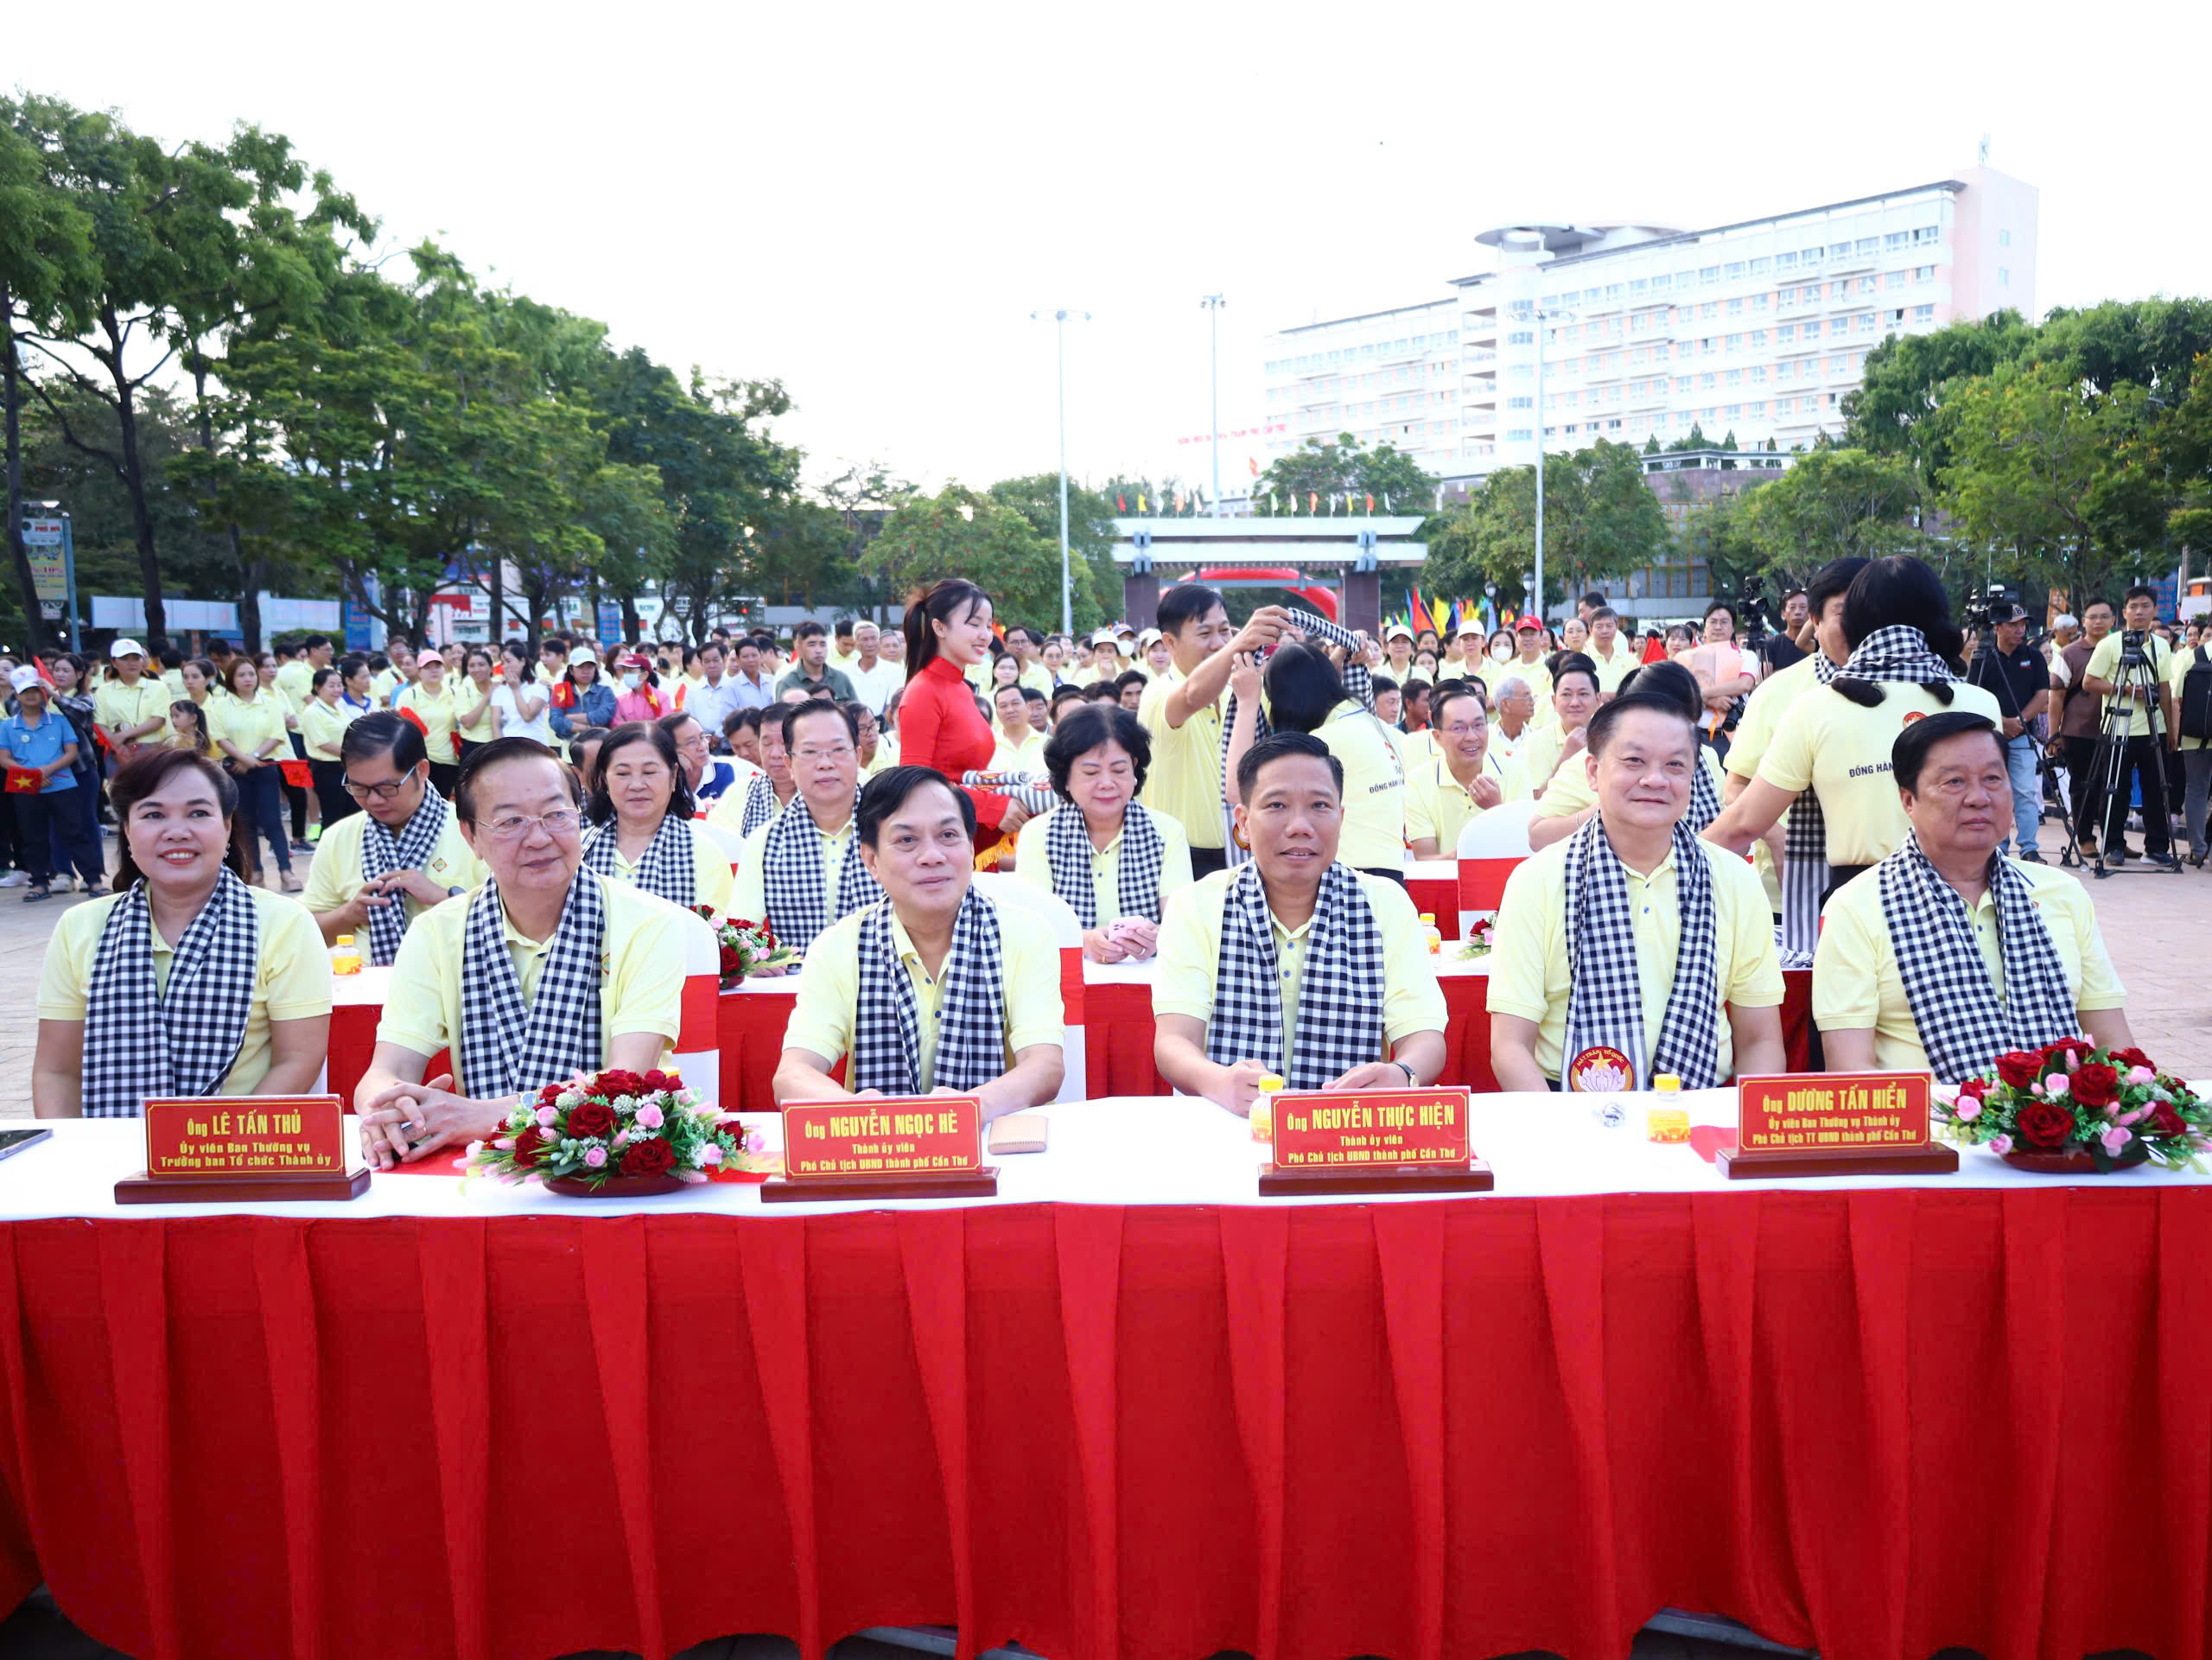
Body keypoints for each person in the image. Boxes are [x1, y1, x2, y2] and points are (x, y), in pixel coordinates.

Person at [353, 737, 690, 1167]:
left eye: (556, 814)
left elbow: (624, 1085)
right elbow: (387, 1069)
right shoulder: (437, 931)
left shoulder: (647, 923)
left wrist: (478, 1116)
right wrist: (389, 1106)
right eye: (511, 822)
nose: (538, 838)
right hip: (479, 1169)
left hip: (608, 1170)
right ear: (471, 836)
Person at [1489, 692, 1785, 1093]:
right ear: (1593, 772)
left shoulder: (1734, 879)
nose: (1655, 779)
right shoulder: (1537, 880)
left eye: (1675, 765)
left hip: (1699, 1107)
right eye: (1634, 761)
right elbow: (1510, 1046)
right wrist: (1561, 1136)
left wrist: (1739, 1134)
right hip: (1568, 1109)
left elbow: (1760, 1039)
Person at [1814, 712, 2133, 1080]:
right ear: (1908, 800)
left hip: (2065, 1127)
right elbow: (1851, 1070)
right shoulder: (1857, 906)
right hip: (1931, 1131)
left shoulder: (2059, 892)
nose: (1979, 798)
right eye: (1954, 782)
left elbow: (2113, 1040)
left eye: (1994, 779)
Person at [1153, 732, 1446, 1112]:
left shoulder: (1385, 904)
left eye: (1319, 806)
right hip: (1231, 1122)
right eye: (1276, 805)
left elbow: (1424, 1034)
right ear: (1242, 822)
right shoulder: (1196, 904)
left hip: (1349, 1131)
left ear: (1341, 819)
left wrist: (1402, 1073)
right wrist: (1217, 1081)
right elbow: (1174, 1040)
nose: (1300, 826)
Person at [33, 748, 330, 1116]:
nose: (177, 832)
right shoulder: (79, 927)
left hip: (235, 1150)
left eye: (198, 813)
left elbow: (298, 1060)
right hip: (106, 1154)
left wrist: (204, 1151)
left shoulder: (283, 922)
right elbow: (57, 1072)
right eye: (153, 814)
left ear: (226, 827)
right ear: (126, 830)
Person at [772, 766, 1065, 1118]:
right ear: (871, 860)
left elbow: (1045, 1066)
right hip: (876, 1150)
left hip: (993, 1141)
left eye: (948, 835)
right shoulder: (839, 946)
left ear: (971, 846)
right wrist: (855, 1112)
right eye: (907, 840)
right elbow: (793, 1074)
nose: (932, 856)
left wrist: (967, 1110)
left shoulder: (1026, 934)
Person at [1702, 556, 2000, 900]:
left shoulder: (1818, 707)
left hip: (1858, 901)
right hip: (1972, 896)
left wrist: (1666, 865)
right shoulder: (1980, 703)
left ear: (1858, 618)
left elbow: (1741, 823)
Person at [1720, 557, 1871, 956]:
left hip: (1884, 895)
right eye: (1844, 613)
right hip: (1786, 893)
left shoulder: (1913, 693)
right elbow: (1735, 787)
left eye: (1870, 611)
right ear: (1815, 623)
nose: (1860, 625)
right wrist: (1777, 837)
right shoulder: (1779, 693)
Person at [1014, 704, 1193, 963]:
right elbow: (1033, 924)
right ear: (1066, 776)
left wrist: (1160, 937)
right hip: (1064, 981)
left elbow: (1181, 921)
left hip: (1149, 982)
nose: (1107, 783)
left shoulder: (1167, 833)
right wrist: (1083, 940)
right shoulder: (1038, 835)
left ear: (1134, 769)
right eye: (1091, 772)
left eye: (1119, 770)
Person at [304, 710, 484, 960]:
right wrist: (349, 914)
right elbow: (306, 934)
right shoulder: (338, 837)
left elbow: (518, 920)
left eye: (387, 788)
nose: (374, 800)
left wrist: (443, 897)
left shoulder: (475, 830)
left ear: (421, 771)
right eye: (359, 788)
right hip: (365, 988)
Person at [1137, 586, 1292, 877]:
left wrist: (1342, 656)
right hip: (1179, 862)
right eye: (1205, 633)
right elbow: (1191, 696)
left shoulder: (1244, 690)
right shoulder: (1157, 694)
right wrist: (1241, 642)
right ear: (1169, 642)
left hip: (1245, 857)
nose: (1219, 643)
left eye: (1225, 631)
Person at [1225, 642, 1405, 881]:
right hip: (1390, 874)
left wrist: (1248, 702)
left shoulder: (1323, 744)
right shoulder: (1378, 727)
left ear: (1286, 701)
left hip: (1348, 877)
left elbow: (1238, 790)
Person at [730, 699, 883, 958]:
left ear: (857, 756)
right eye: (810, 752)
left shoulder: (892, 829)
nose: (825, 763)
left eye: (837, 750)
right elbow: (742, 932)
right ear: (789, 764)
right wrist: (756, 957)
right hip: (797, 987)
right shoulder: (765, 842)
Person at [895, 580, 1030, 845]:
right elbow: (914, 784)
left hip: (970, 831)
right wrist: (990, 806)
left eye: (988, 625)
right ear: (939, 627)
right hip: (943, 842)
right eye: (974, 623)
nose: (985, 635)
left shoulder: (961, 688)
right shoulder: (923, 691)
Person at [579, 720, 734, 914]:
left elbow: (716, 935)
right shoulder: (578, 850)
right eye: (623, 773)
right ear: (604, 780)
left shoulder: (705, 856)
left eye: (649, 772)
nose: (636, 785)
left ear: (673, 776)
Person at [2082, 585, 2179, 866]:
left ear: (2154, 611)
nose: (2139, 612)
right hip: (2117, 728)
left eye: (2145, 606)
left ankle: (2157, 847)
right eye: (2134, 606)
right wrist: (2123, 689)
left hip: (2154, 727)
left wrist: (2170, 729)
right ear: (2124, 613)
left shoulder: (2161, 645)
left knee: (2156, 789)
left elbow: (2164, 689)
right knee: (2116, 789)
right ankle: (2114, 845)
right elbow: (2089, 682)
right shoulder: (2110, 644)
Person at [1965, 601, 2052, 861]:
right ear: (1997, 628)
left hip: (2023, 735)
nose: (2020, 630)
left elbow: (2042, 695)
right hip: (1990, 736)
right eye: (2013, 625)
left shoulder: (2034, 656)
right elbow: (1973, 695)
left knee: (2025, 791)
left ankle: (2029, 848)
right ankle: (1997, 846)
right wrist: (2001, 722)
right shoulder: (1983, 656)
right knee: (1992, 792)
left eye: (2023, 624)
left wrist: (2020, 721)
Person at [1405, 682, 1533, 857]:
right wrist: (1472, 853)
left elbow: (1525, 846)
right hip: (1448, 883)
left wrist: (1496, 810)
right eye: (1459, 728)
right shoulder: (1418, 783)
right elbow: (1426, 860)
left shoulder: (1515, 771)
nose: (1472, 737)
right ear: (1437, 737)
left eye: (1479, 725)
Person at [0, 668, 92, 904]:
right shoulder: (8, 726)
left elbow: (71, 752)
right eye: (24, 692)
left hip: (62, 784)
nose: (30, 696)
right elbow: (4, 758)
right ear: (17, 696)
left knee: (75, 831)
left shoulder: (59, 720)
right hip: (25, 787)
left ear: (44, 694)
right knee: (32, 836)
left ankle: (93, 880)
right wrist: (34, 776)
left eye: (35, 691)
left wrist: (45, 771)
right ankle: (39, 882)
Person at [209, 656, 300, 892]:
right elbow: (220, 737)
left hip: (265, 767)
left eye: (251, 674)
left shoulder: (270, 703)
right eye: (241, 675)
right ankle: (256, 872)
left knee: (273, 821)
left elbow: (277, 734)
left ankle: (286, 871)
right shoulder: (220, 705)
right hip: (235, 771)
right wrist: (243, 759)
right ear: (231, 679)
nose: (248, 679)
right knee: (245, 823)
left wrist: (253, 758)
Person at [41, 652, 106, 894]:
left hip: (81, 769)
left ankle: (93, 874)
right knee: (56, 822)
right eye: (56, 669)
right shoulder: (41, 700)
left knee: (87, 821)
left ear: (79, 675)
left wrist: (55, 696)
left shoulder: (86, 698)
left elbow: (81, 714)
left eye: (65, 670)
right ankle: (63, 873)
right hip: (52, 771)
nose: (59, 674)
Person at [298, 665, 363, 830]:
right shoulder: (312, 712)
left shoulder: (339, 709)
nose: (337, 689)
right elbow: (323, 743)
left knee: (353, 812)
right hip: (326, 769)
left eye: (340, 685)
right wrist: (354, 754)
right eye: (332, 685)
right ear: (317, 688)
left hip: (347, 766)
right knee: (333, 815)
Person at [392, 647, 462, 797]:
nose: (433, 671)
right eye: (427, 668)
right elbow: (400, 727)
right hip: (419, 760)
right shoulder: (410, 695)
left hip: (448, 760)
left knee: (442, 803)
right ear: (419, 672)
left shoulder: (455, 692)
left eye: (438, 666)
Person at [2171, 627, 2211, 864]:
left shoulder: (2191, 655)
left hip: (2195, 736)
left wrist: (2174, 735)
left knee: (2196, 790)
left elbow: (2178, 699)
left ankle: (2198, 849)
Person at [93, 638, 167, 766]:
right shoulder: (103, 690)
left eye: (136, 658)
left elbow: (158, 720)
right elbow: (99, 723)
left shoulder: (158, 687)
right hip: (116, 751)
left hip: (152, 750)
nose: (131, 663)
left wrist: (123, 736)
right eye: (125, 658)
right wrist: (117, 746)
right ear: (114, 662)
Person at [661, 709, 751, 804]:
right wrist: (678, 775)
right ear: (672, 749)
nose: (702, 747)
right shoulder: (664, 777)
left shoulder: (722, 770)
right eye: (692, 742)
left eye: (702, 737)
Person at [776, 620, 858, 703]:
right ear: (799, 648)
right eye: (812, 644)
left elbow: (857, 713)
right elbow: (781, 714)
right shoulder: (787, 683)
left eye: (823, 644)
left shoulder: (841, 679)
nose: (819, 650)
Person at [491, 644, 556, 744]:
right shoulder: (500, 690)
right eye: (502, 663)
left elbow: (528, 716)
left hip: (535, 745)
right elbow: (496, 724)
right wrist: (500, 748)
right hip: (509, 745)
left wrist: (515, 690)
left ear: (522, 661)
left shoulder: (539, 686)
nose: (505, 666)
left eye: (509, 661)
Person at [550, 645, 616, 741]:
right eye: (581, 667)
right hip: (569, 745)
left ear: (595, 669)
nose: (586, 671)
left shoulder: (605, 691)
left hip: (598, 742)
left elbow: (604, 716)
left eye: (590, 667)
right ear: (571, 670)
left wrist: (568, 717)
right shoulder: (561, 691)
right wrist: (588, 729)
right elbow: (555, 721)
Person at [990, 683, 1046, 773]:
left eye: (1015, 703)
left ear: (1028, 707)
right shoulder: (988, 746)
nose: (1010, 710)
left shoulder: (1048, 744)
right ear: (997, 713)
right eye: (1003, 706)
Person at [1583, 606, 1638, 694]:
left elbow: (1637, 691)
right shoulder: (1582, 659)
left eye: (1609, 626)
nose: (1605, 631)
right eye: (1599, 626)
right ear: (1590, 629)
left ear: (1616, 627)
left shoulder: (1631, 660)